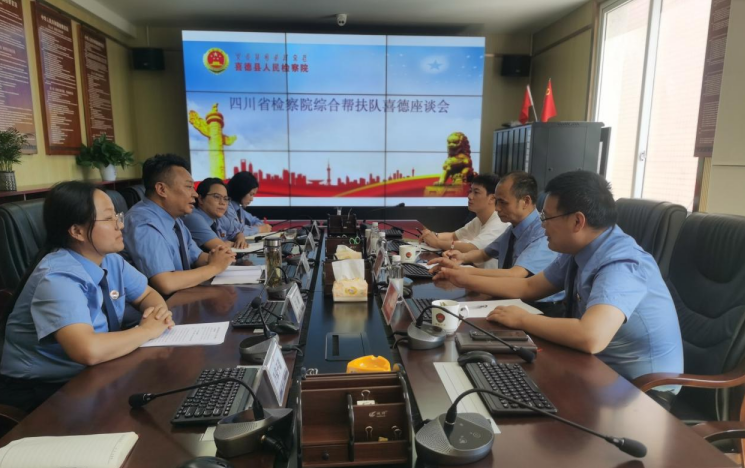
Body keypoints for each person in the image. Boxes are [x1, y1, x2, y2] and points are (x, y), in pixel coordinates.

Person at [437, 171, 683, 394]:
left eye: (546, 217)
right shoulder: (577, 250)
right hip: (595, 369)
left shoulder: (622, 263)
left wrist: (523, 319)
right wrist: (462, 277)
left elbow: (591, 336)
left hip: (642, 391)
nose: (542, 224)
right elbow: (529, 287)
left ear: (577, 221)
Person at [0, 182, 175, 412]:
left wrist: (157, 313)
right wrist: (147, 330)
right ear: (77, 231)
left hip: (94, 372)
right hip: (43, 391)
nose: (120, 225)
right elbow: (88, 350)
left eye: (117, 216)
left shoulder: (110, 259)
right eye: (109, 218)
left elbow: (148, 294)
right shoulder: (57, 277)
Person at [429, 172, 563, 306]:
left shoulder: (542, 233)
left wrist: (463, 273)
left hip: (540, 307)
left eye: (503, 202)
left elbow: (515, 275)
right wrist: (460, 258)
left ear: (526, 201)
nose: (497, 208)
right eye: (497, 201)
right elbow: (484, 254)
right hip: (512, 299)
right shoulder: (513, 228)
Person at [123, 154, 234, 295]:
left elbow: (198, 257)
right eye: (189, 187)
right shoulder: (143, 222)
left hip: (182, 297)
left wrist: (222, 258)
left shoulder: (175, 219)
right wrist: (214, 267)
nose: (195, 194)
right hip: (158, 305)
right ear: (162, 189)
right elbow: (166, 283)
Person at [419, 173, 508, 263]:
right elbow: (453, 236)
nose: (470, 196)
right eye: (470, 191)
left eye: (476, 192)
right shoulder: (479, 219)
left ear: (492, 198)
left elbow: (473, 248)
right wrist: (432, 236)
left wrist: (437, 243)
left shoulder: (500, 222)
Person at [183, 178, 249, 251]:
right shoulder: (193, 218)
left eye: (225, 199)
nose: (222, 203)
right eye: (217, 197)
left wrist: (240, 238)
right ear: (201, 199)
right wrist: (231, 244)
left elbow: (237, 232)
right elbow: (222, 248)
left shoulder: (219, 217)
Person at [226, 171, 272, 236]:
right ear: (241, 190)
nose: (252, 199)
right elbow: (236, 231)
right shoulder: (226, 208)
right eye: (251, 194)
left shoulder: (239, 209)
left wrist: (253, 228)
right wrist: (259, 229)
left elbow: (256, 221)